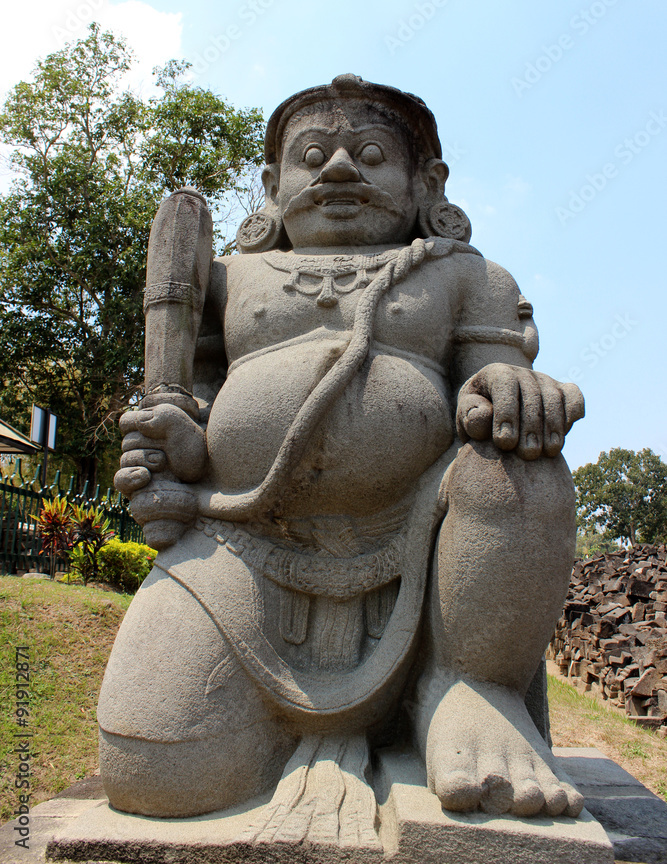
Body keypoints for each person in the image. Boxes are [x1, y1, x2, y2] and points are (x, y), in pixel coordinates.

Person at [102, 74, 585, 828]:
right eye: (312, 156)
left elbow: (491, 383)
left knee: (519, 457)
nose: (337, 171)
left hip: (426, 541)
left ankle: (468, 688)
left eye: (368, 154)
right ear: (270, 186)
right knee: (155, 774)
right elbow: (194, 403)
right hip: (241, 541)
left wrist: (509, 387)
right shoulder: (227, 280)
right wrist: (175, 444)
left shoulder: (463, 275)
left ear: (425, 183)